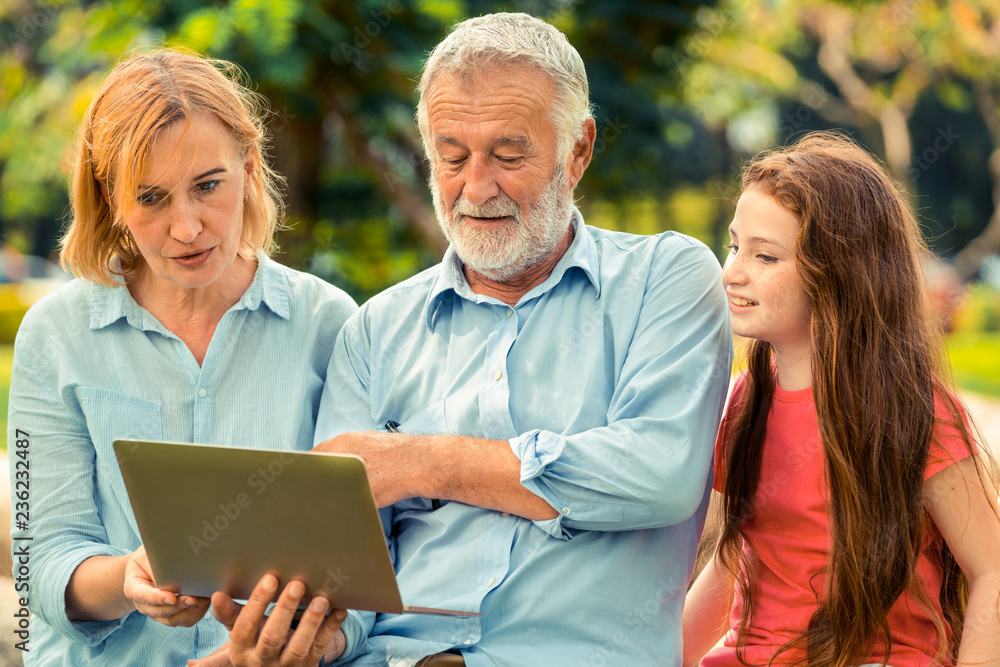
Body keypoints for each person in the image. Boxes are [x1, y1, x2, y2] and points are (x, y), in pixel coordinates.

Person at [212, 12, 733, 666]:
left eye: (508, 156)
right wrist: (324, 637)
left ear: (578, 150)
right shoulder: (374, 333)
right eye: (451, 157)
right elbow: (350, 577)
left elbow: (658, 474)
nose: (476, 187)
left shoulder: (667, 279)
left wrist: (419, 462)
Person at [7, 48, 357, 666]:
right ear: (110, 200)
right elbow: (39, 558)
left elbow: (366, 557)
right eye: (151, 198)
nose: (187, 227)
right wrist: (128, 581)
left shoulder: (328, 324)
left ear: (249, 167)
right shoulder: (55, 336)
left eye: (208, 186)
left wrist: (317, 645)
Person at [682, 132, 1000, 667]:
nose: (733, 272)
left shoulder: (916, 413)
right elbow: (737, 557)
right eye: (735, 246)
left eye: (765, 256)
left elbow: (991, 570)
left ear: (839, 275)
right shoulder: (741, 402)